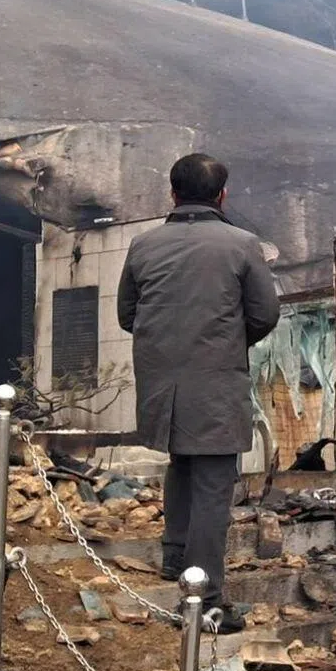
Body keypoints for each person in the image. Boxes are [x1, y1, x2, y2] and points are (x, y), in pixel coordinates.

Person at [117, 153, 280, 633]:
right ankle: (204, 598)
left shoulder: (142, 245)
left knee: (182, 462)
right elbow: (265, 314)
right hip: (215, 381)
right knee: (212, 482)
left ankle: (174, 555)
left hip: (160, 382)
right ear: (222, 195)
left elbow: (128, 316)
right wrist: (227, 339)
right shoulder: (242, 244)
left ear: (173, 193)